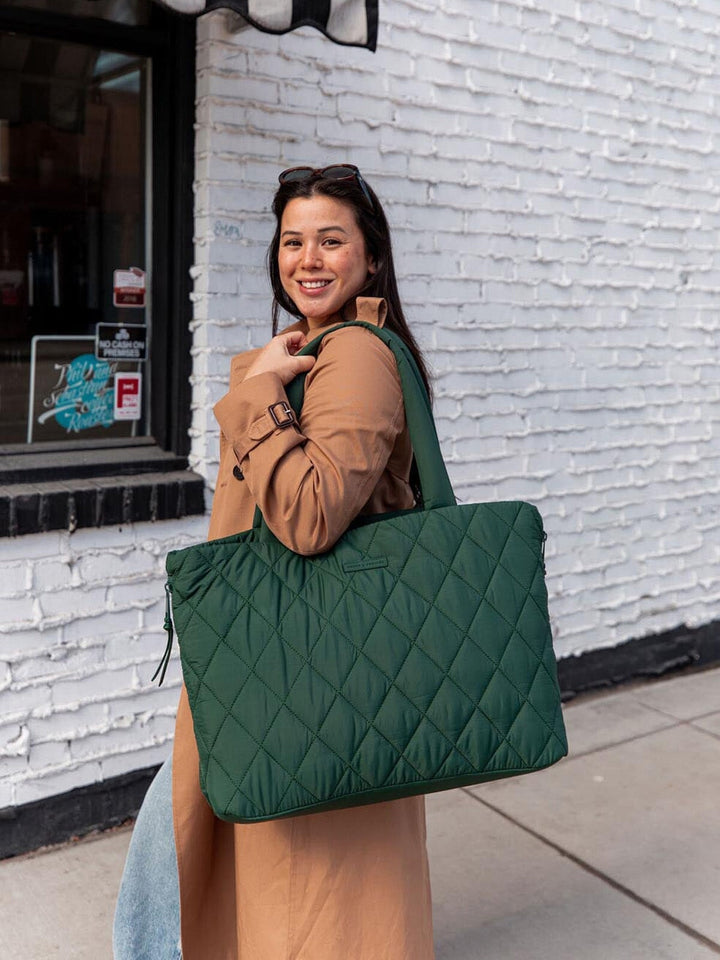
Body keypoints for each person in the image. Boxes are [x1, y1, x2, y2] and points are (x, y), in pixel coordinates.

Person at [114, 164, 435, 960]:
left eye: (332, 240)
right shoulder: (304, 350)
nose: (309, 259)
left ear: (371, 259)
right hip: (269, 648)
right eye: (293, 241)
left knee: (277, 872)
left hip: (299, 651)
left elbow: (313, 513)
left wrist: (256, 392)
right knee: (193, 846)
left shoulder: (355, 354)